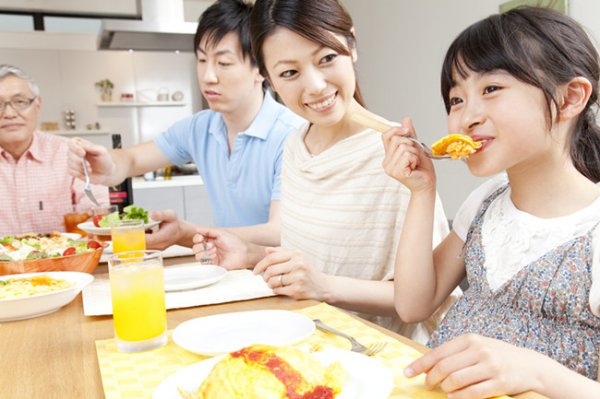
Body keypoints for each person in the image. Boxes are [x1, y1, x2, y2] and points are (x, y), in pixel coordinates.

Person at [193, 0, 450, 336]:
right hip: (307, 342)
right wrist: (250, 254)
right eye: (289, 73)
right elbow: (312, 262)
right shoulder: (294, 146)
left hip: (379, 358)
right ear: (268, 78)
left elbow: (422, 300)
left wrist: (323, 286)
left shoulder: (396, 157)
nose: (314, 85)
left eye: (326, 58)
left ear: (352, 45)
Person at [383, 7, 600, 398]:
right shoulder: (486, 201)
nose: (466, 118)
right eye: (455, 99)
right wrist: (421, 191)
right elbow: (413, 305)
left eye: (491, 89)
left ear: (570, 98)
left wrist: (537, 372)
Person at [67, 0, 306, 248]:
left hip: (281, 276)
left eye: (223, 63)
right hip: (228, 269)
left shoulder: (291, 134)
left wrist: (188, 233)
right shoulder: (200, 128)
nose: (208, 76)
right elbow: (133, 159)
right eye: (202, 60)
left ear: (261, 69)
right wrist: (106, 165)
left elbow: (278, 232)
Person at [0, 64, 109, 235]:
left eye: (19, 102)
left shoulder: (70, 153)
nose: (9, 113)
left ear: (38, 105)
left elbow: (100, 214)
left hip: (67, 260)